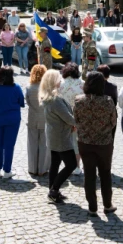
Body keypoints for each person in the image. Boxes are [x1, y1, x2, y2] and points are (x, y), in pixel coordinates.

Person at [74, 71, 117, 216]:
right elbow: (113, 122)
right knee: (105, 174)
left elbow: (77, 121)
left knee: (89, 174)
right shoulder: (108, 101)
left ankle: (92, 206)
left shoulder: (79, 101)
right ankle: (107, 204)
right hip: (104, 143)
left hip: (85, 142)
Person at [41, 69, 77, 203]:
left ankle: (53, 191)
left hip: (54, 135)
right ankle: (54, 189)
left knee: (55, 164)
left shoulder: (48, 97)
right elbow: (68, 118)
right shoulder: (55, 100)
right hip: (61, 137)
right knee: (71, 164)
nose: (60, 81)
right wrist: (75, 124)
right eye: (58, 79)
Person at [0, 67, 25, 178]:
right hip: (12, 120)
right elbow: (22, 102)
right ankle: (7, 170)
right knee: (9, 145)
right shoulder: (16, 88)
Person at [59, 63, 84, 175]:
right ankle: (77, 167)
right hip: (79, 117)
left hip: (63, 116)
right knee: (77, 144)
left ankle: (67, 165)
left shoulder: (61, 84)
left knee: (65, 143)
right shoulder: (82, 83)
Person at [25, 65, 50, 176]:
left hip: (33, 118)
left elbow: (28, 102)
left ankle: (32, 168)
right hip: (45, 119)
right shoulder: (48, 88)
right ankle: (42, 169)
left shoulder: (29, 88)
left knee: (32, 144)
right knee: (44, 145)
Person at [98, 64, 118, 137]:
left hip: (97, 115)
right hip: (110, 115)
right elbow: (115, 102)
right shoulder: (113, 87)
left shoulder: (92, 87)